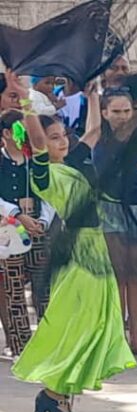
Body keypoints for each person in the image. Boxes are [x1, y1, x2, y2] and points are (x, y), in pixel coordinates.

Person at [4, 70, 134, 412]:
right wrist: (28, 101)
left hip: (95, 247)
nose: (62, 141)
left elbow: (93, 134)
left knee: (97, 322)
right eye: (55, 137)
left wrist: (93, 96)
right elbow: (38, 142)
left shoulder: (73, 165)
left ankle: (60, 395)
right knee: (79, 322)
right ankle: (53, 394)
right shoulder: (43, 173)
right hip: (77, 249)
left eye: (63, 135)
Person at [93, 87, 137, 355]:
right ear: (104, 112)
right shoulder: (100, 141)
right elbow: (107, 179)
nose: (123, 116)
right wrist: (136, 173)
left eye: (127, 110)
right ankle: (117, 339)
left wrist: (129, 174)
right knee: (117, 276)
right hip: (110, 209)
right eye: (116, 111)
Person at [0, 109, 56, 356]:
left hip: (37, 231)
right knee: (14, 293)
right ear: (7, 134)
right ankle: (21, 346)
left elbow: (47, 193)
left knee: (43, 288)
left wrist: (43, 220)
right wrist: (17, 215)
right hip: (9, 231)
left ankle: (48, 341)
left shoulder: (35, 161)